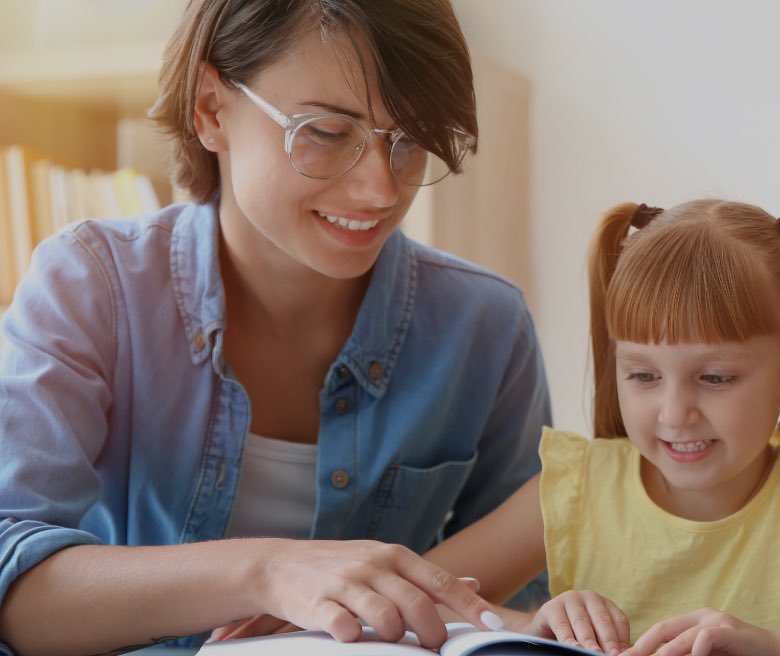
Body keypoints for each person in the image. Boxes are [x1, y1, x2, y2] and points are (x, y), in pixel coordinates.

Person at [0, 1, 551, 654]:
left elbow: (515, 617)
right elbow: (14, 581)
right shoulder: (92, 285)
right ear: (211, 108)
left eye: (409, 139)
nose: (380, 188)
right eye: (325, 131)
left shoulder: (486, 330)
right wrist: (267, 572)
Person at [419, 200, 780, 655]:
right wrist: (536, 626)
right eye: (644, 376)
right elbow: (418, 599)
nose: (675, 413)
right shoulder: (576, 488)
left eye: (716, 378)